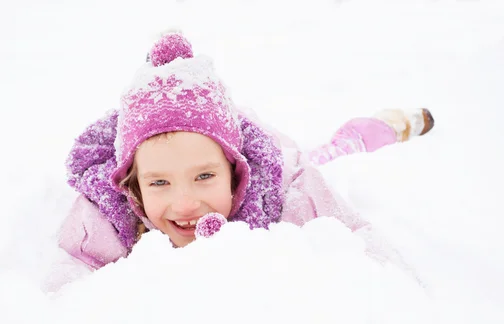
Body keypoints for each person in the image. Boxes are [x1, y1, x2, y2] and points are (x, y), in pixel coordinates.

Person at [57, 32, 434, 270]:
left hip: (275, 156)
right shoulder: (106, 213)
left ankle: (376, 129)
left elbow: (364, 246)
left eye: (204, 176)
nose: (185, 203)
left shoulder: (282, 191)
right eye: (159, 183)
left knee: (326, 155)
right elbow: (65, 289)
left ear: (236, 170)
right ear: (132, 183)